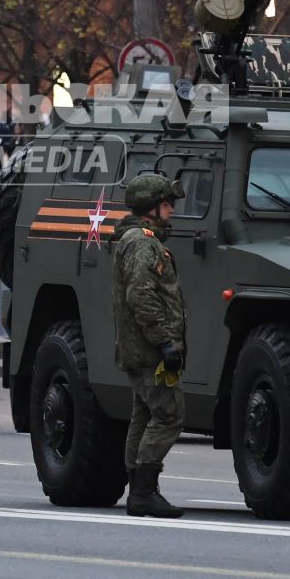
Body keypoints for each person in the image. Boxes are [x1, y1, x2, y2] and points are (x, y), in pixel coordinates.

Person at [112, 172, 188, 519]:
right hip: (148, 350)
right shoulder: (142, 243)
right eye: (167, 205)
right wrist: (166, 342)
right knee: (168, 414)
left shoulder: (137, 240)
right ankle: (144, 491)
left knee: (143, 417)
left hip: (138, 349)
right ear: (151, 210)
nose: (171, 211)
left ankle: (138, 491)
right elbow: (141, 295)